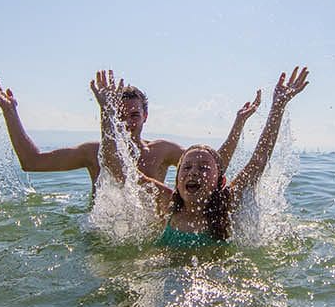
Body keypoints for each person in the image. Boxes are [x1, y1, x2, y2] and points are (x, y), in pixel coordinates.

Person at [91, 66, 310, 247]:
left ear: (220, 181)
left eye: (204, 167)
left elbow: (258, 160)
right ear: (177, 179)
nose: (193, 172)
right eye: (186, 167)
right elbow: (116, 167)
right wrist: (107, 112)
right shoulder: (166, 203)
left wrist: (278, 106)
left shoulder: (228, 205)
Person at [0, 72, 260, 187]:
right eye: (119, 116)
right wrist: (10, 112)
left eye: (134, 115)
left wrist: (238, 124)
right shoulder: (92, 153)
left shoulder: (163, 151)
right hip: (103, 240)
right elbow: (32, 162)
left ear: (145, 116)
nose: (128, 123)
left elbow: (214, 166)